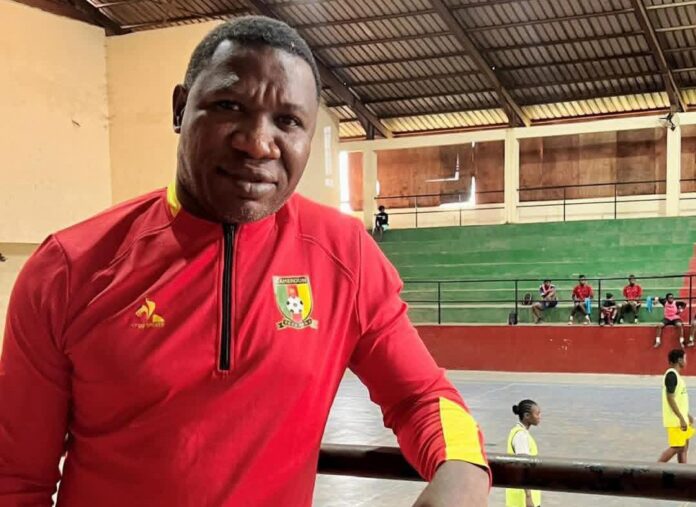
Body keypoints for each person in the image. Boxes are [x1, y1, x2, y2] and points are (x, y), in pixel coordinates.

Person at [0, 17, 489, 506]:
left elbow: (423, 397)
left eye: (288, 121)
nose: (257, 143)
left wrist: (463, 475)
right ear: (180, 109)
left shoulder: (345, 255)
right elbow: (15, 479)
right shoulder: (69, 269)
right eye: (229, 106)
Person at [658, 349, 694, 464]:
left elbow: (678, 399)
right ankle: (656, 467)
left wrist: (686, 415)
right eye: (685, 358)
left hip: (681, 418)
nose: (686, 361)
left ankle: (683, 470)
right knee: (677, 447)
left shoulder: (677, 376)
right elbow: (670, 398)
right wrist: (681, 418)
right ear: (679, 360)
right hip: (675, 420)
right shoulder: (671, 376)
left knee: (684, 446)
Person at [506, 399, 542, 507]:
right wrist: (528, 497)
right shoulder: (521, 436)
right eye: (537, 414)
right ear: (527, 416)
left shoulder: (518, 431)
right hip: (522, 500)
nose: (539, 417)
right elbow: (523, 466)